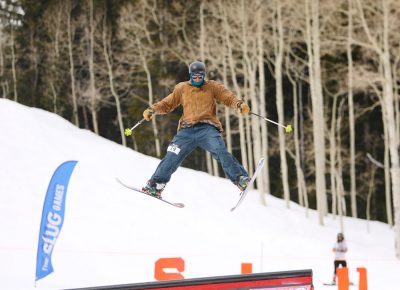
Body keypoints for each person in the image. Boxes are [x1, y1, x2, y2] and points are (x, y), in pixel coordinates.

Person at [141, 60, 251, 198]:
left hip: (207, 128)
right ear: (190, 75)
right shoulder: (182, 88)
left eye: (200, 75)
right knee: (172, 155)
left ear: (204, 75)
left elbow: (228, 97)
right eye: (195, 75)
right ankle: (155, 185)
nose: (197, 78)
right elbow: (167, 103)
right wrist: (153, 109)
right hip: (186, 130)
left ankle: (241, 179)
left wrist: (239, 104)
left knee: (220, 151)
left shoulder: (212, 86)